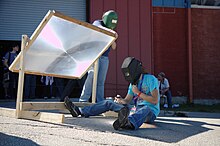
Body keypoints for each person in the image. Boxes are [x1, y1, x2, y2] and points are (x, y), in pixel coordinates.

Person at [64, 57, 160, 130]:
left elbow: (155, 100)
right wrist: (120, 100)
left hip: (150, 112)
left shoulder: (150, 79)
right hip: (135, 109)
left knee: (145, 108)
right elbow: (127, 100)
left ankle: (128, 122)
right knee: (109, 102)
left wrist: (138, 93)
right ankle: (80, 111)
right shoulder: (133, 84)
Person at [79, 10, 118, 103]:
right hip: (94, 56)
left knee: (100, 81)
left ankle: (100, 101)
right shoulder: (98, 22)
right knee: (91, 76)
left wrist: (112, 37)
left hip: (104, 58)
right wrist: (110, 32)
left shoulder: (111, 29)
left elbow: (114, 47)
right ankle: (83, 100)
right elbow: (98, 27)